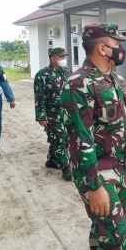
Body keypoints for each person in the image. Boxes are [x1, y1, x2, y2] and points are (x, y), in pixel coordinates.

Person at [61, 23, 126, 250]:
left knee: (103, 230)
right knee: (115, 239)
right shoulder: (78, 83)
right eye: (117, 44)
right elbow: (81, 140)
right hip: (97, 173)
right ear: (103, 48)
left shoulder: (114, 79)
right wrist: (94, 186)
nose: (121, 49)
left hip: (119, 168)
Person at [33, 47, 72, 181]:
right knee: (60, 139)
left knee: (62, 138)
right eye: (61, 57)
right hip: (52, 114)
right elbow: (39, 97)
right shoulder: (42, 74)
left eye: (64, 57)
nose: (63, 60)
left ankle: (52, 160)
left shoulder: (67, 72)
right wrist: (41, 116)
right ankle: (65, 167)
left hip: (67, 112)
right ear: (53, 58)